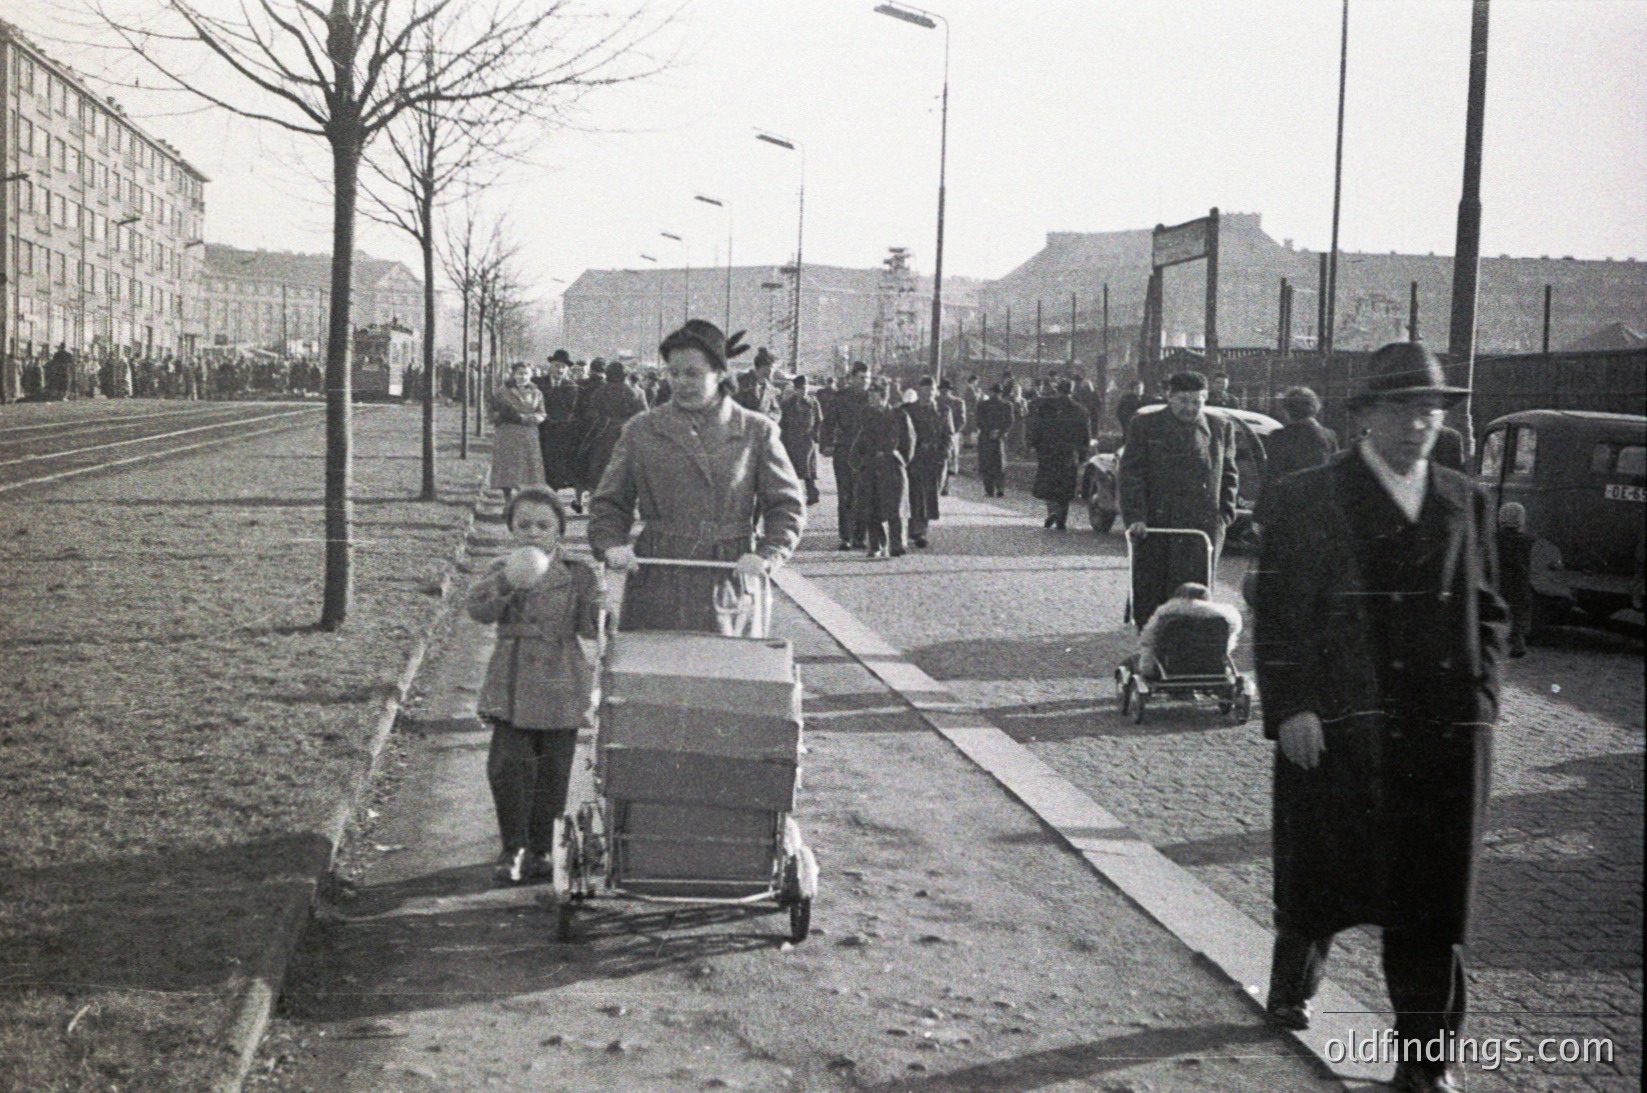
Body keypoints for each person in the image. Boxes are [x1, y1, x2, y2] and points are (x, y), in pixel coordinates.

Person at [1252, 340, 1506, 1093]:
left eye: (1431, 407)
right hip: (1338, 723)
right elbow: (1277, 609)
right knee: (1322, 873)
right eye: (1401, 407)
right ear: (1364, 416)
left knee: (1431, 900)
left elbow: (1490, 609)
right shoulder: (1309, 495)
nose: (1418, 422)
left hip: (1443, 731)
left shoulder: (1466, 498)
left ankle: (1424, 1065)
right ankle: (1292, 980)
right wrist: (1291, 705)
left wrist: (1483, 699)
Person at [589, 320, 805, 636]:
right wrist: (611, 545)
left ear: (719, 374)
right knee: (652, 675)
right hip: (657, 576)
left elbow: (786, 506)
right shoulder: (641, 430)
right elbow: (610, 502)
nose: (680, 383)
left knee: (722, 675)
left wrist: (767, 555)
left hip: (728, 575)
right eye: (673, 373)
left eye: (692, 373)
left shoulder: (755, 431)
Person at [467, 487, 601, 884]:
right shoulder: (501, 568)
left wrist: (599, 605)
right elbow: (478, 611)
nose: (532, 533)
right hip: (513, 678)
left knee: (554, 770)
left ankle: (543, 848)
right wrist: (507, 581)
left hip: (561, 675)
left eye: (543, 525)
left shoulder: (577, 573)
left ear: (559, 530)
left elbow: (591, 629)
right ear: (510, 529)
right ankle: (513, 846)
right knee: (508, 767)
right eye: (523, 524)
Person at [1118, 371, 1239, 628]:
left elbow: (1229, 473)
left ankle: (1189, 652)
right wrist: (1136, 517)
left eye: (1197, 402)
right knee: (1153, 593)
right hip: (1157, 525)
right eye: (1183, 400)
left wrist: (1224, 515)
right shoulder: (1145, 425)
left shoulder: (1220, 427)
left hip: (1201, 526)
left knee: (1196, 596)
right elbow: (1131, 474)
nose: (1190, 408)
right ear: (1169, 398)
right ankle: (1150, 649)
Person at [852, 379, 915, 559]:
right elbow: (859, 441)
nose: (870, 399)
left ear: (883, 396)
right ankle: (876, 545)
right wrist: (860, 462)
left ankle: (897, 544)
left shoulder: (900, 416)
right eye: (869, 395)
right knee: (871, 508)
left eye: (874, 395)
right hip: (871, 466)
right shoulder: (866, 415)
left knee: (895, 507)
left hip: (892, 466)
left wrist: (900, 461)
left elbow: (909, 442)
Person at [1124, 581, 1242, 678]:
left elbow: (1147, 640)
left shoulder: (1165, 615)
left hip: (1171, 667)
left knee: (1132, 661)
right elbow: (1230, 640)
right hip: (1212, 666)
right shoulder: (1225, 617)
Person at [578, 359, 649, 499]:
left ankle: (599, 497)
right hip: (627, 434)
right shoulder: (634, 391)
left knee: (600, 466)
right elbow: (644, 414)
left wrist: (603, 421)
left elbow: (590, 412)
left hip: (604, 435)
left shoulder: (600, 391)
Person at [1028, 379, 1092, 530]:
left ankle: (1052, 510)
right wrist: (1083, 453)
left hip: (1048, 450)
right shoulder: (1081, 410)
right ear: (1072, 390)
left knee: (1048, 482)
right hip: (1069, 452)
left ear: (1058, 390)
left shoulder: (1046, 406)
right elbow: (1085, 435)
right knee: (1065, 484)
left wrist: (1033, 445)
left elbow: (1037, 426)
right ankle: (1062, 516)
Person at [901, 376, 954, 549]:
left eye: (931, 390)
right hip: (914, 458)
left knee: (930, 494)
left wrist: (944, 455)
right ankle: (915, 528)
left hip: (934, 458)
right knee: (913, 493)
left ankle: (922, 529)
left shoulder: (943, 411)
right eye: (924, 390)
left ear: (935, 392)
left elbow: (948, 435)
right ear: (919, 391)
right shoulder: (909, 410)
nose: (928, 394)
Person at [830, 362, 874, 550]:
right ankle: (845, 536)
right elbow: (829, 422)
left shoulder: (873, 398)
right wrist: (826, 444)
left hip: (867, 453)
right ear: (852, 378)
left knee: (864, 494)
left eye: (867, 378)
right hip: (845, 451)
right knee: (846, 494)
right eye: (861, 377)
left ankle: (859, 536)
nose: (865, 381)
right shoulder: (841, 398)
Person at [489, 362, 547, 500]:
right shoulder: (501, 392)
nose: (523, 376)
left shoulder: (536, 392)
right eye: (519, 373)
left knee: (529, 469)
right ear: (513, 374)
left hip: (528, 433)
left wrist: (527, 418)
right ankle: (507, 500)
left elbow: (542, 413)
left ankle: (525, 499)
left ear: (531, 375)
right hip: (508, 433)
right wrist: (502, 417)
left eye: (526, 373)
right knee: (508, 468)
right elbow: (491, 413)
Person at [1265, 386, 1339, 481]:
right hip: (1321, 491)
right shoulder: (1329, 435)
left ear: (1288, 410)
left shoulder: (1279, 436)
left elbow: (1272, 474)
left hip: (1291, 491)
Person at [1496, 501, 1533, 657]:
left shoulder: (1493, 538)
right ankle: (1517, 642)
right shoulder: (1529, 541)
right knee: (1517, 612)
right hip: (1519, 583)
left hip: (1498, 582)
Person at [780, 374, 823, 506]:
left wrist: (816, 435)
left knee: (807, 469)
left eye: (805, 387)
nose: (803, 390)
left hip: (806, 439)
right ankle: (794, 496)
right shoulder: (788, 403)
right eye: (800, 388)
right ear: (795, 389)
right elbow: (783, 422)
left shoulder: (813, 402)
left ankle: (812, 493)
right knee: (792, 469)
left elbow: (819, 420)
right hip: (792, 439)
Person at [975, 384, 1014, 498]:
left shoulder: (1007, 405)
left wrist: (998, 432)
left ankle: (998, 488)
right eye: (994, 392)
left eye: (997, 392)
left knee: (998, 463)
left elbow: (1009, 421)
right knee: (989, 463)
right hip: (988, 437)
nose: (995, 395)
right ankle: (990, 489)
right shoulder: (983, 405)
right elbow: (979, 420)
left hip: (997, 438)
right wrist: (991, 431)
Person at [735, 346, 784, 420]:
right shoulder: (741, 382)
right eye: (769, 370)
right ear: (759, 367)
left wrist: (770, 418)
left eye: (773, 370)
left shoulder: (769, 388)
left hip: (761, 428)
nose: (771, 373)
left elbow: (776, 410)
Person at [938, 378, 967, 493]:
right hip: (937, 435)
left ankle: (946, 486)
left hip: (952, 434)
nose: (944, 392)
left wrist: (953, 432)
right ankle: (938, 483)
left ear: (950, 391)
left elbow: (962, 420)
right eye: (942, 390)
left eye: (946, 390)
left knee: (951, 459)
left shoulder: (958, 403)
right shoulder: (935, 401)